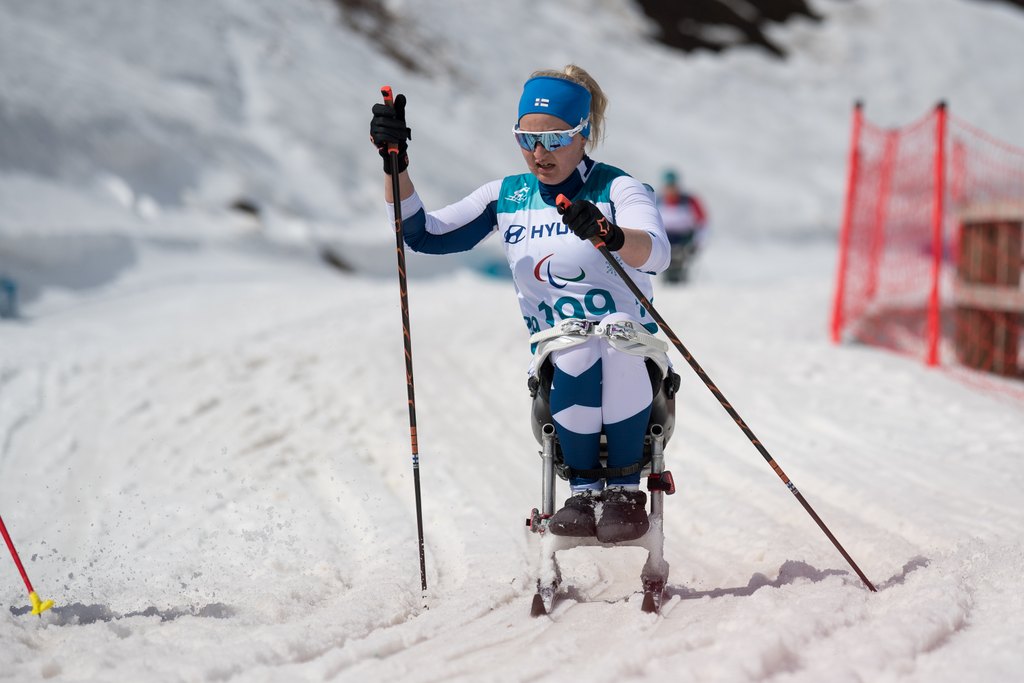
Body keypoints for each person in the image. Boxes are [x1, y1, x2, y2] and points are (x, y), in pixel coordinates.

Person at [370, 65, 671, 543]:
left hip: (630, 343)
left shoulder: (618, 189)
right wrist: (395, 165)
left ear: (583, 134)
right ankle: (585, 490)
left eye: (554, 140)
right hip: (561, 346)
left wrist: (611, 235)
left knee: (611, 332)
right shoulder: (507, 196)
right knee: (576, 343)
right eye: (526, 139)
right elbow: (422, 233)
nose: (538, 153)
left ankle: (624, 490)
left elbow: (657, 252)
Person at [657, 169, 707, 283]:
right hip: (666, 239)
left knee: (681, 266)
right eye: (668, 186)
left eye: (673, 185)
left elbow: (702, 223)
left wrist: (698, 242)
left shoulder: (689, 201)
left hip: (684, 240)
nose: (671, 189)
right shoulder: (658, 202)